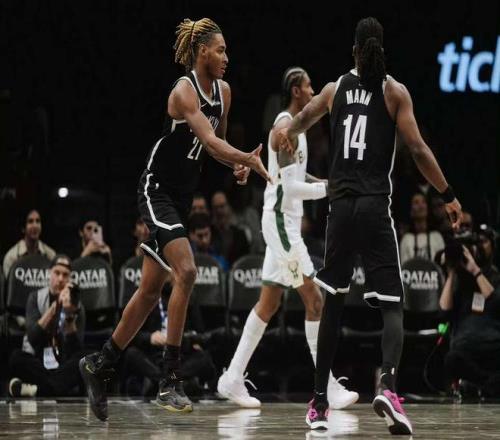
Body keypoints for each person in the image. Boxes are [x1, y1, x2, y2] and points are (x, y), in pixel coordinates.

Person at [79, 17, 270, 421]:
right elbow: (211, 138)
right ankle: (170, 379)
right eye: (220, 50)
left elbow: (214, 148)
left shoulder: (225, 92)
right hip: (157, 189)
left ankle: (100, 364)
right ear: (202, 52)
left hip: (181, 198)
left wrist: (235, 165)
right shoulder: (183, 92)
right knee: (187, 271)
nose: (226, 58)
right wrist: (247, 158)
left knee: (150, 291)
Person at [279, 17, 462, 433]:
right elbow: (418, 150)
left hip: (340, 210)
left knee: (334, 303)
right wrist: (448, 194)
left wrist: (284, 135)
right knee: (392, 305)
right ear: (382, 49)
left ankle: (319, 404)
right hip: (375, 209)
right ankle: (389, 387)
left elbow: (300, 119)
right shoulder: (395, 92)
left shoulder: (334, 89)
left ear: (354, 51)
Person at [217, 67, 358, 410]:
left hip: (281, 223)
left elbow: (295, 175)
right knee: (314, 301)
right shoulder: (285, 129)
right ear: (296, 90)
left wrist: (327, 183)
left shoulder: (296, 129)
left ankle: (232, 378)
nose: (313, 91)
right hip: (281, 223)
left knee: (268, 304)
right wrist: (328, 191)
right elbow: (290, 188)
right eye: (309, 86)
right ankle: (326, 387)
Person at [9, 255, 85, 397]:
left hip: (63, 362)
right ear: (50, 273)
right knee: (15, 357)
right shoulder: (35, 297)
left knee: (86, 358)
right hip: (38, 360)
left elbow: (75, 350)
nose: (60, 279)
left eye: (65, 275)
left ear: (70, 279)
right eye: (57, 273)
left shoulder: (76, 305)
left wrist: (69, 316)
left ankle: (37, 390)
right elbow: (33, 338)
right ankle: (58, 386)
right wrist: (55, 307)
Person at [439, 226, 500, 398]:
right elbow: (443, 310)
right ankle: (487, 386)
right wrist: (451, 272)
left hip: (493, 347)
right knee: (451, 359)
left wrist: (475, 271)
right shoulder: (460, 278)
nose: (479, 248)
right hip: (465, 349)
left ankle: (477, 386)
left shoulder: (495, 276)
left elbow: (495, 303)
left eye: (484, 242)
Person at [3, 209, 56, 277]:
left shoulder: (50, 255)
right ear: (23, 228)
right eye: (30, 221)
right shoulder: (11, 258)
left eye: (38, 221)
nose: (35, 226)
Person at [399, 192, 445, 263]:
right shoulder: (406, 239)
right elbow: (404, 267)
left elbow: (442, 264)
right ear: (411, 211)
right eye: (416, 202)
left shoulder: (436, 236)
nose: (421, 206)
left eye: (423, 202)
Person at [211, 191, 250, 264]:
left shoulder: (241, 235)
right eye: (216, 207)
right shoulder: (208, 234)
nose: (219, 211)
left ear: (229, 207)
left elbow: (246, 261)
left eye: (222, 206)